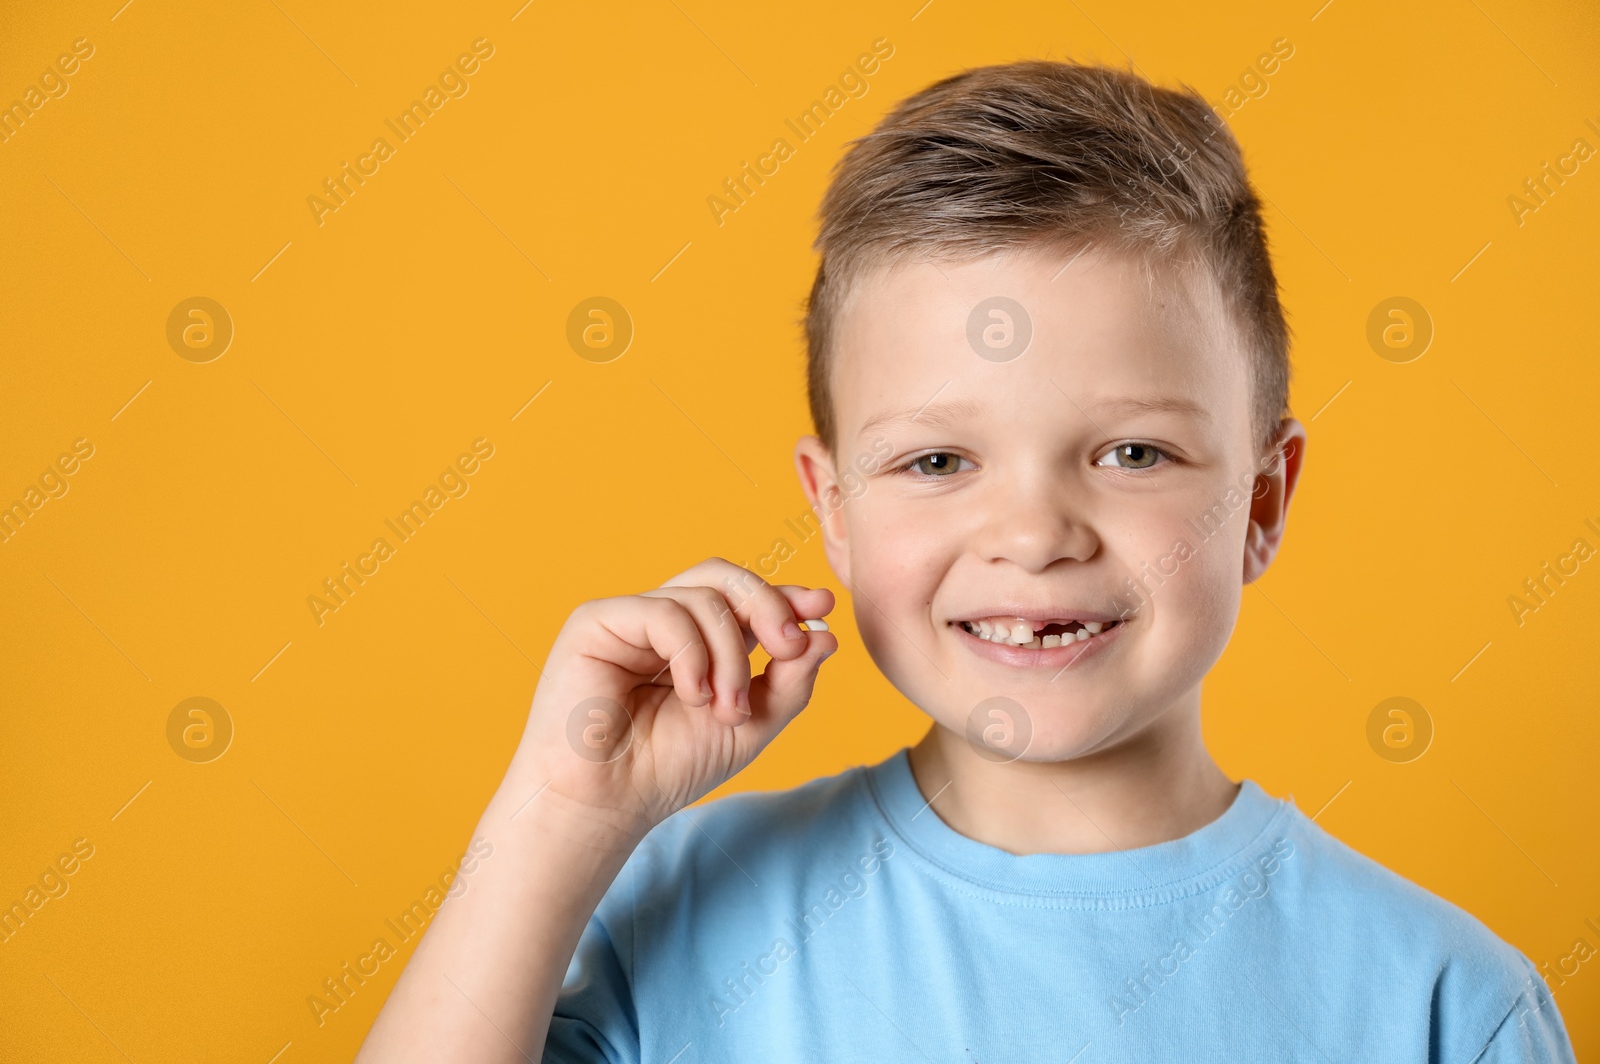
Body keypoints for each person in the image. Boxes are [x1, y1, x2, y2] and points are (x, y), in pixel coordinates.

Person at [355, 59, 1577, 1062]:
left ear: (1261, 497)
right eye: (938, 461)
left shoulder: (1441, 1003)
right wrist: (560, 814)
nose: (1034, 534)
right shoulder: (675, 907)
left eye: (1133, 451)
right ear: (832, 510)